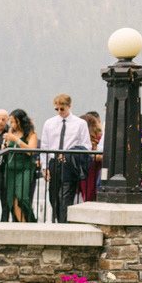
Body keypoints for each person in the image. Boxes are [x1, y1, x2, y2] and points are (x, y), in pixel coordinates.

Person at [41, 94, 90, 223]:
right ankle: (60, 220)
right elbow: (45, 145)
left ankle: (64, 223)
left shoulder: (80, 124)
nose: (59, 112)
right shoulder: (49, 123)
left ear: (69, 106)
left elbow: (86, 146)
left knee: (66, 196)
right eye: (56, 109)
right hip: (53, 162)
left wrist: (68, 154)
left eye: (62, 109)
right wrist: (45, 167)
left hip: (69, 163)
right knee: (53, 196)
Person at [3, 109, 40, 223]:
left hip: (25, 168)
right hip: (10, 168)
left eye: (15, 122)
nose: (13, 125)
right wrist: (5, 146)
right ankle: (22, 223)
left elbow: (31, 151)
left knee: (22, 197)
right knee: (11, 199)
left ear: (22, 121)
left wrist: (17, 140)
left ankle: (32, 222)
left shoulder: (31, 133)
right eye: (12, 122)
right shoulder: (11, 131)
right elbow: (8, 148)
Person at [78, 112, 103, 202]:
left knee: (87, 191)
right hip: (94, 167)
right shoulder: (99, 138)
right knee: (91, 191)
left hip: (88, 167)